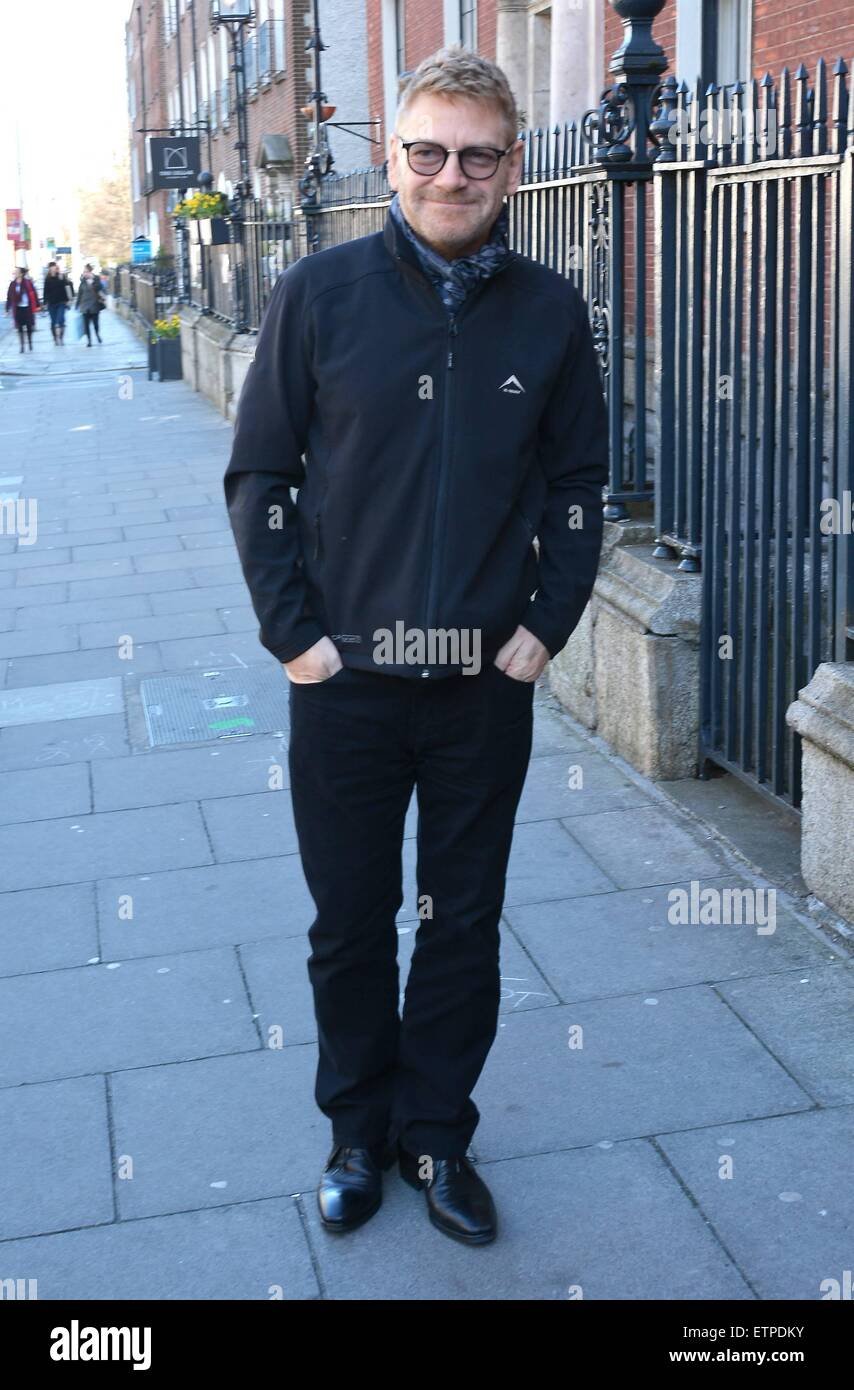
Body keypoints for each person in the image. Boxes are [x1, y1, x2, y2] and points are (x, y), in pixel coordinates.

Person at [224, 45, 609, 1247]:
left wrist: (544, 628)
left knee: (459, 921)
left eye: (477, 155)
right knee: (347, 920)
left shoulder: (548, 311)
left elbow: (580, 487)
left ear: (508, 166)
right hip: (343, 688)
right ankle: (354, 1130)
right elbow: (260, 475)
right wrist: (297, 640)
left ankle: (436, 1133)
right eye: (429, 151)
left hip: (477, 690)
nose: (452, 174)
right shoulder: (320, 295)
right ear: (392, 160)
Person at [5, 266, 41, 353]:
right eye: (15, 272)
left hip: (27, 308)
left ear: (21, 273)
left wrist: (37, 305)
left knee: (29, 327)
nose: (15, 273)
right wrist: (7, 308)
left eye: (17, 271)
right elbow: (9, 297)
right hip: (17, 309)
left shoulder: (27, 283)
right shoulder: (12, 284)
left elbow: (34, 294)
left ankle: (30, 342)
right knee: (20, 328)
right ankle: (22, 346)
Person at [42, 261, 74, 345]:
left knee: (61, 320)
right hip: (51, 304)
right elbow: (45, 292)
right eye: (51, 267)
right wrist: (45, 303)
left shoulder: (61, 276)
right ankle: (55, 338)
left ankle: (61, 338)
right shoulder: (47, 279)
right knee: (53, 322)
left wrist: (69, 300)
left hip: (61, 302)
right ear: (49, 269)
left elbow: (68, 286)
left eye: (54, 267)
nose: (53, 268)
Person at [75, 264, 105, 345]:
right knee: (86, 325)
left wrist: (93, 283)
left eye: (87, 272)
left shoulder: (96, 279)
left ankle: (97, 334)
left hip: (94, 305)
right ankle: (89, 341)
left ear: (90, 272)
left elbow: (100, 288)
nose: (85, 273)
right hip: (84, 306)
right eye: (84, 272)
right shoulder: (82, 282)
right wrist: (77, 305)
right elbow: (80, 294)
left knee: (95, 324)